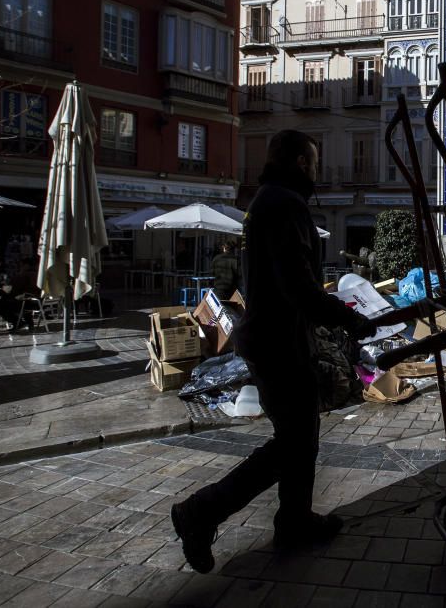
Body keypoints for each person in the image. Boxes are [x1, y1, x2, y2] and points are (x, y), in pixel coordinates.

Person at [170, 130, 378, 573]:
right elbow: (298, 285)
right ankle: (201, 511)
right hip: (278, 342)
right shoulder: (284, 204)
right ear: (303, 162)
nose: (318, 171)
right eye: (315, 162)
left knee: (300, 441)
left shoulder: (268, 200)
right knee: (294, 443)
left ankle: (294, 520)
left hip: (275, 337)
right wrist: (347, 317)